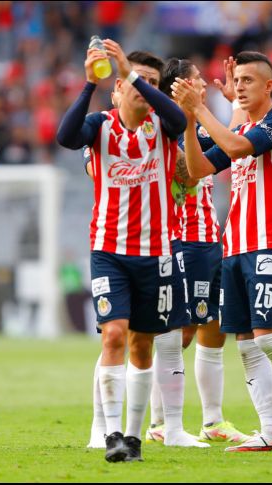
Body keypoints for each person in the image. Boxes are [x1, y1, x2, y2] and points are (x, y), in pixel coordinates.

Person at [174, 51, 272, 454]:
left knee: (267, 337)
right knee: (245, 342)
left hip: (269, 243)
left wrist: (201, 108)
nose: (239, 87)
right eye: (236, 80)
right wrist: (188, 120)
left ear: (269, 85)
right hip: (235, 247)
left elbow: (238, 147)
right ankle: (271, 430)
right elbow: (196, 171)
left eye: (248, 81)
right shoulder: (241, 126)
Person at [57, 41, 190, 462]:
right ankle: (112, 434)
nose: (142, 87)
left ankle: (132, 438)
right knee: (114, 334)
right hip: (109, 251)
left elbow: (180, 118)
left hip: (157, 253)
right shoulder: (100, 126)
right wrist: (87, 84)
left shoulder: (163, 126)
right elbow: (64, 136)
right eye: (135, 79)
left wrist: (131, 73)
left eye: (151, 81)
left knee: (143, 347)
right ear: (117, 86)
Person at [144, 57, 248, 446]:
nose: (205, 84)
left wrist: (234, 102)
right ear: (180, 88)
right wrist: (191, 119)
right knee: (180, 331)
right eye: (197, 80)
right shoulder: (166, 130)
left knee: (213, 326)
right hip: (181, 238)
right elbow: (187, 173)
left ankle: (213, 420)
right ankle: (158, 421)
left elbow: (235, 142)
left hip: (208, 237)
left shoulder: (200, 126)